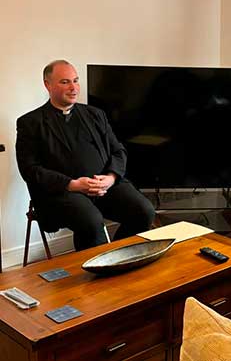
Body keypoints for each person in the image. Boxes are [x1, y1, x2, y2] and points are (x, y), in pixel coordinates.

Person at [16, 60, 155, 250]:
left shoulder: (95, 114)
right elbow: (30, 170)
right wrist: (73, 184)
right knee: (91, 221)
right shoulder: (30, 123)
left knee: (144, 211)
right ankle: (97, 266)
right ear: (48, 85)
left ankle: (121, 256)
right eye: (65, 82)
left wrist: (110, 178)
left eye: (75, 80)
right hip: (63, 192)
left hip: (104, 186)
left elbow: (118, 150)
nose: (73, 88)